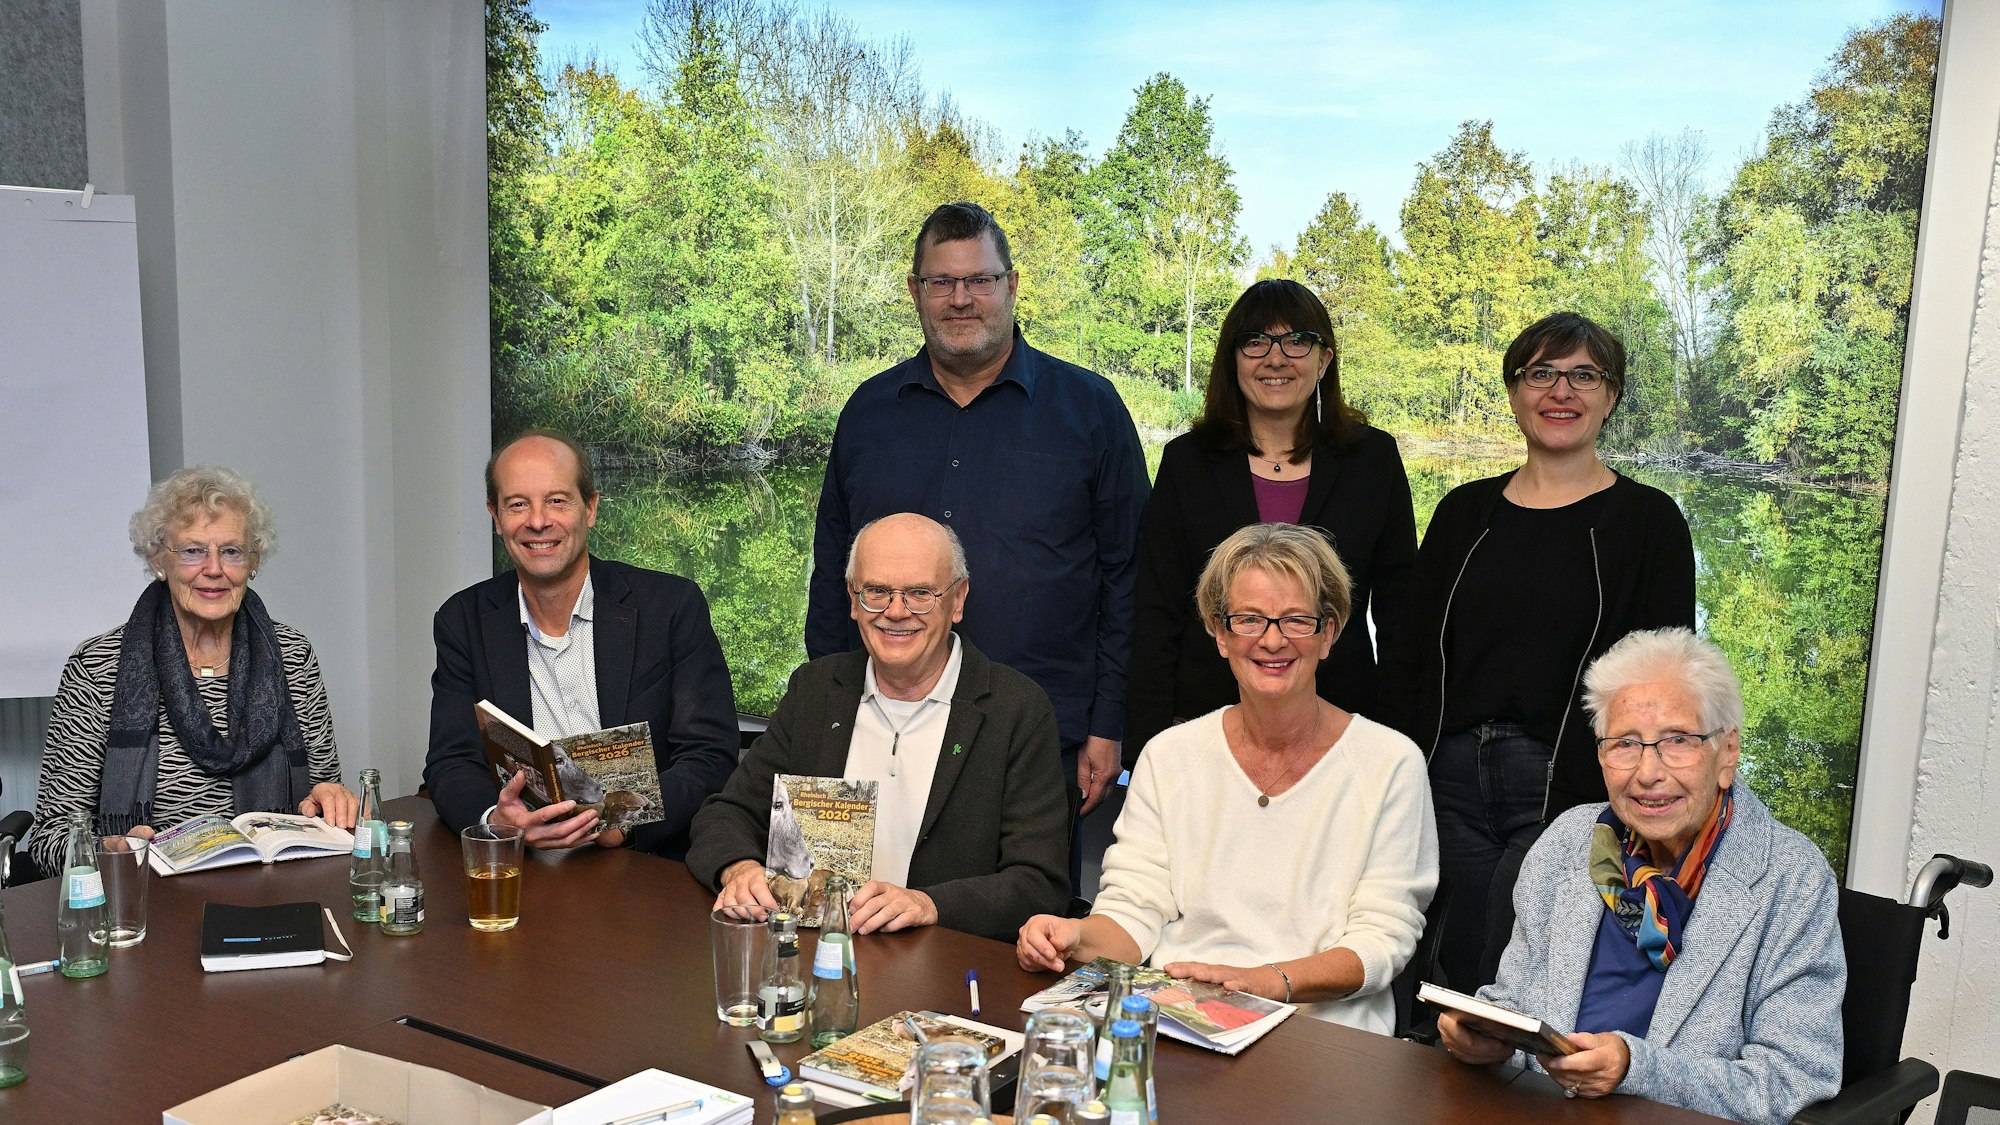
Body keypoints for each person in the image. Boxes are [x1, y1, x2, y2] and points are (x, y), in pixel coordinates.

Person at [805, 202, 1149, 847]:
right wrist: (824, 709)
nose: (961, 299)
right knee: (864, 914)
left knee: (1028, 928)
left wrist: (1106, 724)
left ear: (1011, 286)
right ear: (916, 293)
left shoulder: (1091, 410)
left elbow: (1128, 578)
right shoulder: (868, 414)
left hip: (1041, 732)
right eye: (942, 282)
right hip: (881, 722)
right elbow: (832, 572)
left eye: (981, 281)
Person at [1379, 311, 1696, 994]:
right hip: (1449, 778)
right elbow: (1410, 657)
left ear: (1611, 397)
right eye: (1542, 373)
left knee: (1521, 965)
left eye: (1585, 374)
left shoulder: (1649, 523)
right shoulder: (1465, 513)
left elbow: (1668, 678)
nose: (1562, 391)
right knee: (1437, 957)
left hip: (1568, 782)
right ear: (1515, 392)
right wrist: (1392, 772)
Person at [1017, 523, 1437, 1034]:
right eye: (1249, 620)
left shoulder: (1391, 763)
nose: (1272, 640)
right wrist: (1071, 937)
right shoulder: (1170, 755)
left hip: (1325, 1039)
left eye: (1297, 620)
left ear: (1330, 633)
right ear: (1219, 633)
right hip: (1179, 1019)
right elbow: (1135, 909)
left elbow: (1383, 941)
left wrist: (1264, 981)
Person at [1439, 628, 1842, 1123]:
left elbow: (1793, 1078)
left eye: (1677, 741)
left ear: (1728, 752)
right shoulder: (1570, 842)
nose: (1648, 772)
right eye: (1625, 744)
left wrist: (1637, 1069)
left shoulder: (1791, 878)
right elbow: (1517, 998)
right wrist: (1490, 1037)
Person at [688, 514, 1070, 943]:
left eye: (920, 593)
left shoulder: (1016, 709)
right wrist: (739, 869)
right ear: (853, 600)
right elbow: (726, 814)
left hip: (943, 971)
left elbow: (1040, 883)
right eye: (877, 591)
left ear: (958, 599)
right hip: (812, 955)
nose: (895, 612)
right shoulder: (816, 690)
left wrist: (929, 904)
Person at [1127, 279, 1415, 764]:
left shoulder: (1373, 459)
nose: (1276, 358)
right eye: (1255, 341)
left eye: (1297, 340)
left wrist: (1399, 740)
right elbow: (1156, 610)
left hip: (1342, 726)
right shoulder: (1187, 463)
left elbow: (1402, 615)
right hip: (1207, 727)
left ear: (1324, 359)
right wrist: (1148, 746)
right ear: (1233, 359)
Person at [29, 466, 356, 878]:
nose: (214, 569)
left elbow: (322, 797)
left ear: (253, 562)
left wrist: (329, 801)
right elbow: (49, 839)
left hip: (273, 891)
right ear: (158, 559)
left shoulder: (293, 656)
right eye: (193, 551)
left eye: (232, 551)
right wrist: (103, 851)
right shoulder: (97, 666)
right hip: (148, 900)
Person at [424, 429, 737, 859]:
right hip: (524, 867)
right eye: (517, 504)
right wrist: (496, 822)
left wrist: (619, 824)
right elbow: (451, 761)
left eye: (557, 500)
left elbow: (710, 756)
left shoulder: (669, 607)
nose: (537, 521)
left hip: (642, 865)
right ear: (495, 517)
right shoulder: (463, 621)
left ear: (590, 508)